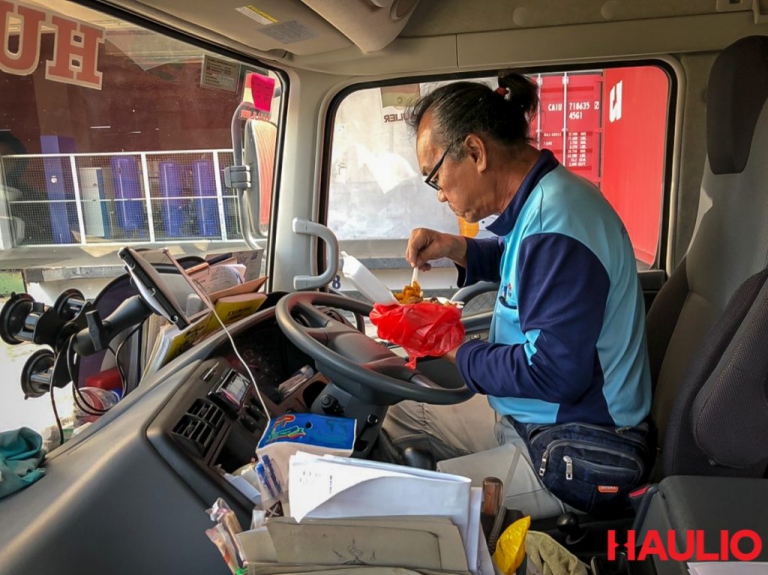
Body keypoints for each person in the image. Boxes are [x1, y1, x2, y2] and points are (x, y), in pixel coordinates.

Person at [379, 72, 652, 519]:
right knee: (401, 413)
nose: (441, 196)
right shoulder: (544, 203)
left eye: (435, 177)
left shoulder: (557, 223)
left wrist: (454, 349)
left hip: (578, 446)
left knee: (406, 509)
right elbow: (521, 261)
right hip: (533, 418)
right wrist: (456, 248)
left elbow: (554, 373)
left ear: (475, 151)